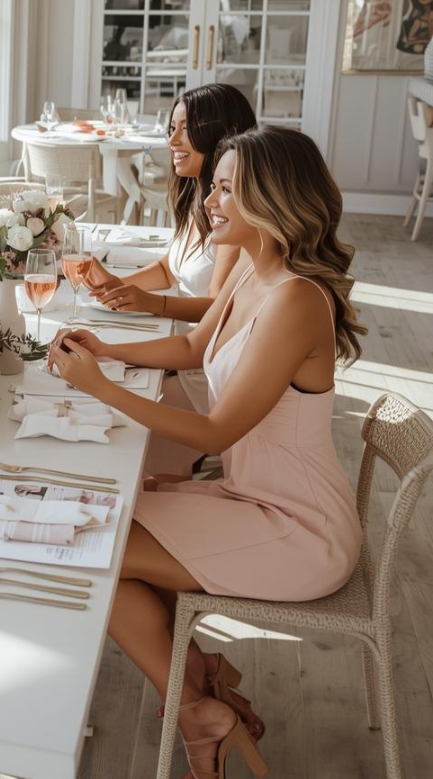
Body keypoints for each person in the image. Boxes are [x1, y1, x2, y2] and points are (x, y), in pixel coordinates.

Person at [47, 126, 364, 779]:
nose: (210, 201)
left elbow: (217, 433)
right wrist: (107, 350)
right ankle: (196, 688)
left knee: (89, 549)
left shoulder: (298, 298)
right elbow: (192, 350)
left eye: (225, 188)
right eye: (214, 186)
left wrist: (102, 389)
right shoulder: (254, 266)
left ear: (270, 198)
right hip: (250, 497)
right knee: (104, 526)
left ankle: (193, 701)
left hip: (296, 526)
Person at [84, 85, 257, 474]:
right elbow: (169, 267)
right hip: (180, 356)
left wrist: (152, 304)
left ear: (218, 134)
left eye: (185, 129)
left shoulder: (234, 217)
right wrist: (114, 282)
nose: (172, 140)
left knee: (113, 444)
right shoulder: (199, 196)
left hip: (203, 378)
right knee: (90, 408)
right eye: (172, 127)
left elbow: (220, 307)